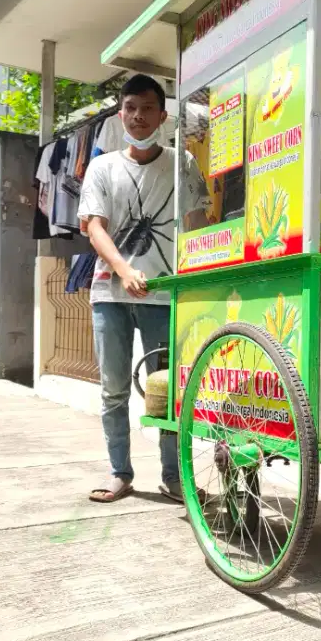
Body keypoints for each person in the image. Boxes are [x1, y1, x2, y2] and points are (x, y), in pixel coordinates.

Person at [78, 74, 209, 503]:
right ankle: (120, 472)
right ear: (121, 113)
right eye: (131, 107)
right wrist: (122, 270)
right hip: (110, 296)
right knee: (113, 390)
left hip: (166, 296)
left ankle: (174, 477)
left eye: (147, 108)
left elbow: (199, 224)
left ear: (163, 115)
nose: (138, 116)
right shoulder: (102, 166)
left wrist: (199, 278)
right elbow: (94, 226)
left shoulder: (182, 163)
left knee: (169, 389)